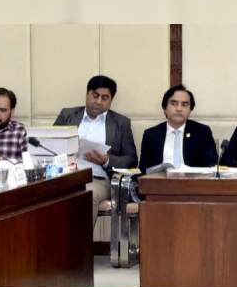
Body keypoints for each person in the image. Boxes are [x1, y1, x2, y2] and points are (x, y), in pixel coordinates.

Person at [53, 75, 137, 223]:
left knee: (87, 195)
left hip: (97, 180)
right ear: (87, 94)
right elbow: (51, 146)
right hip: (64, 177)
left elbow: (131, 160)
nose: (98, 101)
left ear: (111, 100)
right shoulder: (67, 115)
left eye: (105, 98)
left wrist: (107, 160)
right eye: (95, 95)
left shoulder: (120, 123)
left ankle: (79, 246)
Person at [138, 84, 218, 173]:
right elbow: (143, 170)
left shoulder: (202, 132)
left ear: (190, 110)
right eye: (174, 104)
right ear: (165, 108)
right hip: (160, 184)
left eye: (184, 105)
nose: (179, 109)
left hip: (193, 184)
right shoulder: (151, 134)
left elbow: (212, 166)